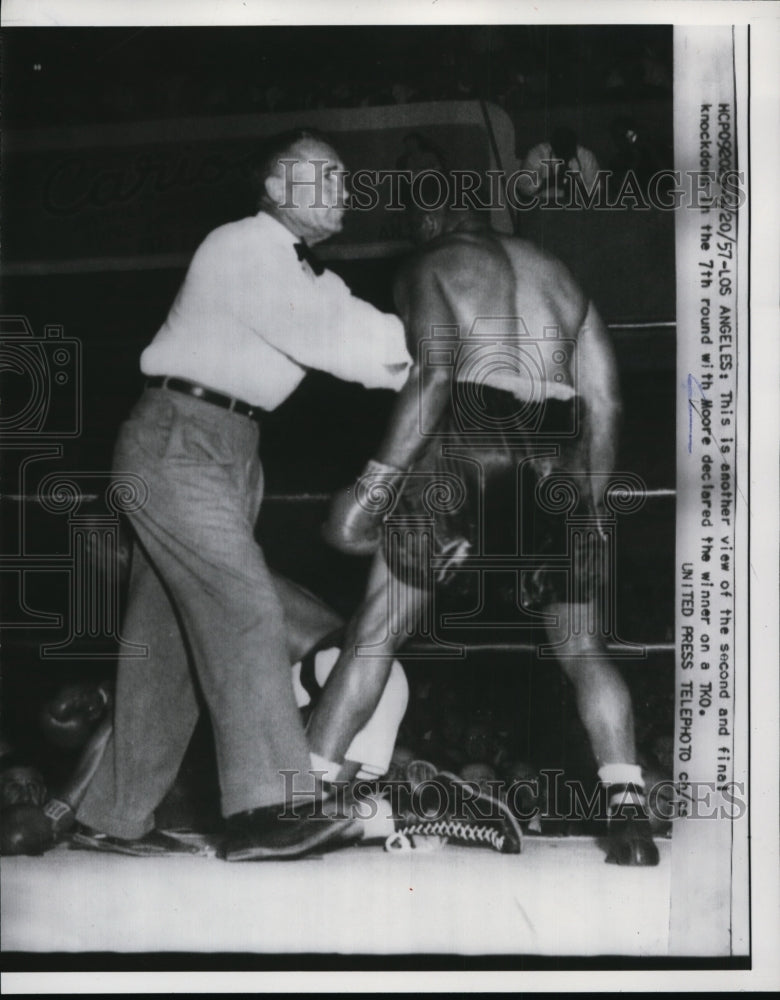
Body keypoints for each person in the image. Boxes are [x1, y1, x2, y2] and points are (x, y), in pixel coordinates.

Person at [71, 128, 412, 860]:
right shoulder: (239, 247)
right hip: (178, 438)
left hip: (232, 450)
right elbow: (336, 342)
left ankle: (112, 814)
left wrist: (439, 357)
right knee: (243, 605)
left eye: (346, 180)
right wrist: (434, 351)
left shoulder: (309, 275)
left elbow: (371, 340)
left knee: (166, 643)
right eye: (325, 177)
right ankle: (266, 808)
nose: (344, 192)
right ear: (278, 188)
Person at [308, 182, 659, 866]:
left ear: (432, 214)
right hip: (556, 450)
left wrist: (375, 484)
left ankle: (304, 801)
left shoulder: (430, 263)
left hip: (466, 439)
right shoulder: (558, 275)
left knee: (377, 633)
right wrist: (587, 507)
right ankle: (629, 812)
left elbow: (435, 376)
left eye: (413, 217)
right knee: (582, 648)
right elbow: (609, 404)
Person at [517, 125, 601, 203]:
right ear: (552, 145)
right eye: (561, 150)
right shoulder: (537, 154)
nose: (565, 155)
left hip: (578, 208)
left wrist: (576, 184)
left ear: (575, 146)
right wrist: (550, 181)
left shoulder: (586, 157)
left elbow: (595, 193)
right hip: (543, 209)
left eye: (569, 150)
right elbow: (523, 188)